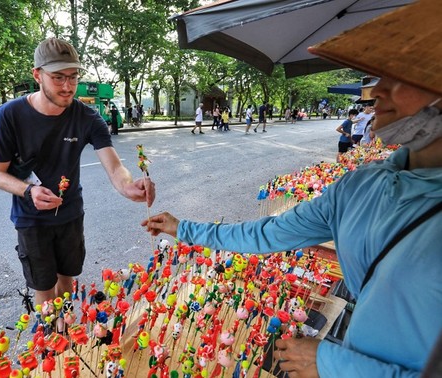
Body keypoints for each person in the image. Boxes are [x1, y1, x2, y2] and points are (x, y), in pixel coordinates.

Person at [142, 0, 442, 376]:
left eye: (398, 76)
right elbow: (268, 233)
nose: (375, 92)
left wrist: (331, 363)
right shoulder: (361, 186)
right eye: (377, 77)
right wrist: (182, 228)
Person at [0, 37, 155, 307]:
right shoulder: (9, 115)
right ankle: (51, 341)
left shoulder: (87, 117)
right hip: (32, 219)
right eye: (58, 77)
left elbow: (113, 165)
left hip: (70, 214)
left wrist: (127, 186)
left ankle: (65, 328)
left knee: (67, 280)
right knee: (44, 289)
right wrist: (28, 191)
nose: (67, 87)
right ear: (37, 75)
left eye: (73, 77)